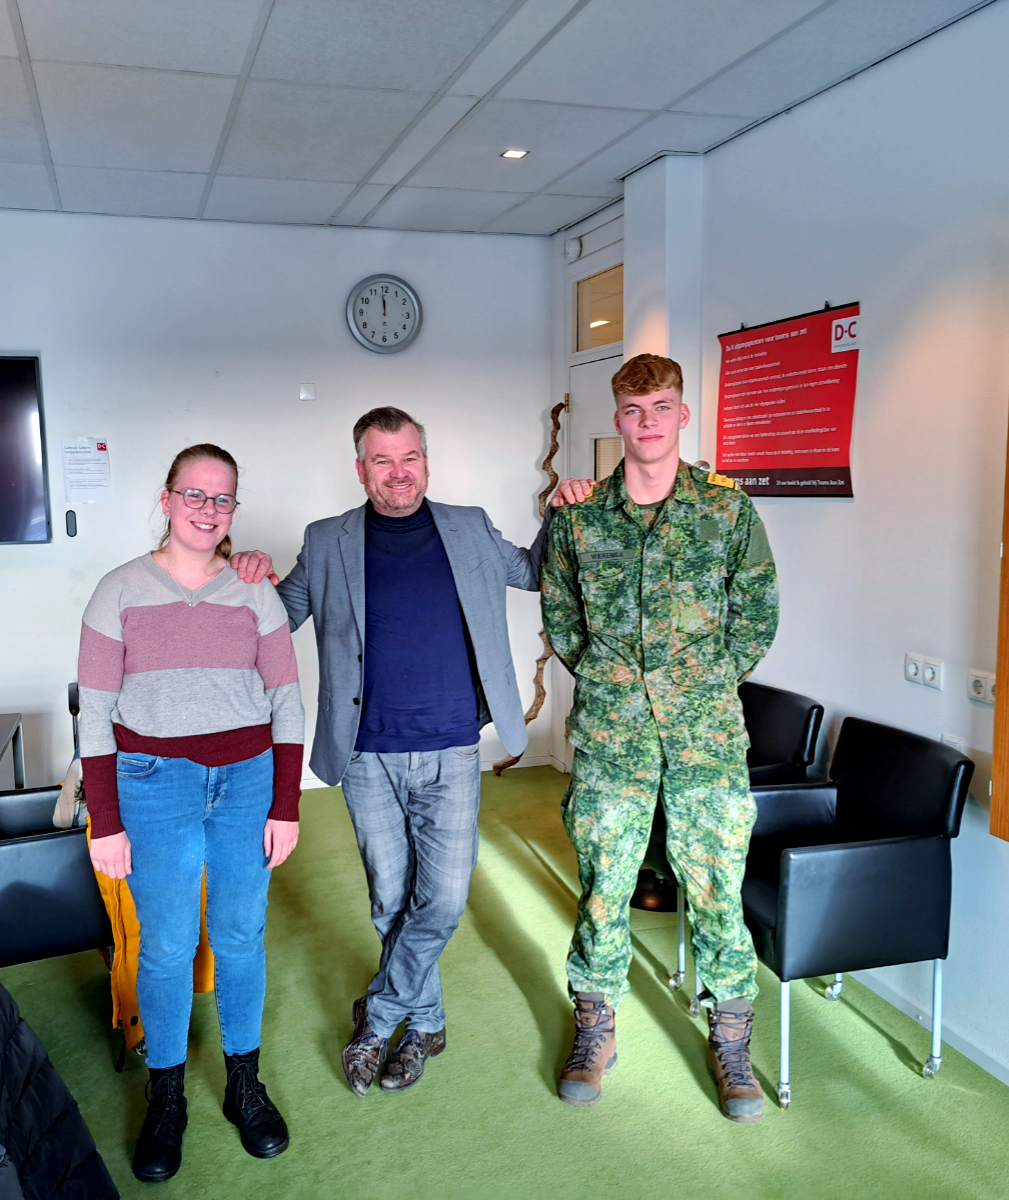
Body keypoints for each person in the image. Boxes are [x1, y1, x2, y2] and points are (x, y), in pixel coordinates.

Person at [233, 408, 589, 1096]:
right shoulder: (328, 539)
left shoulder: (469, 526)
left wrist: (557, 516)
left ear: (426, 460)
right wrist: (241, 573)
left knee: (443, 901)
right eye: (381, 461)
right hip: (366, 754)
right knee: (388, 902)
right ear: (359, 469)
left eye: (409, 458)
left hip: (453, 749)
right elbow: (277, 619)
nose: (398, 474)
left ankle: (381, 1018)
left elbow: (537, 572)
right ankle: (425, 1023)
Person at [540, 354, 779, 1120]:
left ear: (683, 414)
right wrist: (617, 684)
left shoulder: (727, 509)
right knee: (605, 882)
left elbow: (757, 614)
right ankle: (595, 1024)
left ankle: (732, 1036)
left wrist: (698, 685)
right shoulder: (578, 517)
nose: (647, 423)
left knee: (715, 886)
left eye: (662, 408)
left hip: (705, 734)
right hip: (613, 735)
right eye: (634, 411)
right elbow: (562, 621)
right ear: (617, 419)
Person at [79, 444, 304, 1183]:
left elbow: (285, 703)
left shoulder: (254, 591)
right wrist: (106, 820)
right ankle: (167, 1093)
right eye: (195, 495)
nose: (208, 510)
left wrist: (286, 803)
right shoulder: (118, 591)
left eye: (222, 499)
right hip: (153, 784)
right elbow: (97, 715)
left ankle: (245, 1082)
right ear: (168, 498)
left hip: (246, 782)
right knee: (168, 945)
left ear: (233, 510)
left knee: (241, 935)